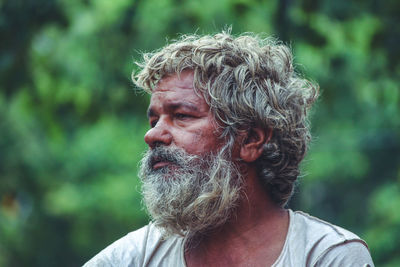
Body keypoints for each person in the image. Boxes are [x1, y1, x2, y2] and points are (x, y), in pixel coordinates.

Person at [84, 32, 374, 267]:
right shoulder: (131, 259)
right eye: (153, 119)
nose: (152, 135)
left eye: (181, 115)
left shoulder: (328, 257)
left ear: (250, 140)